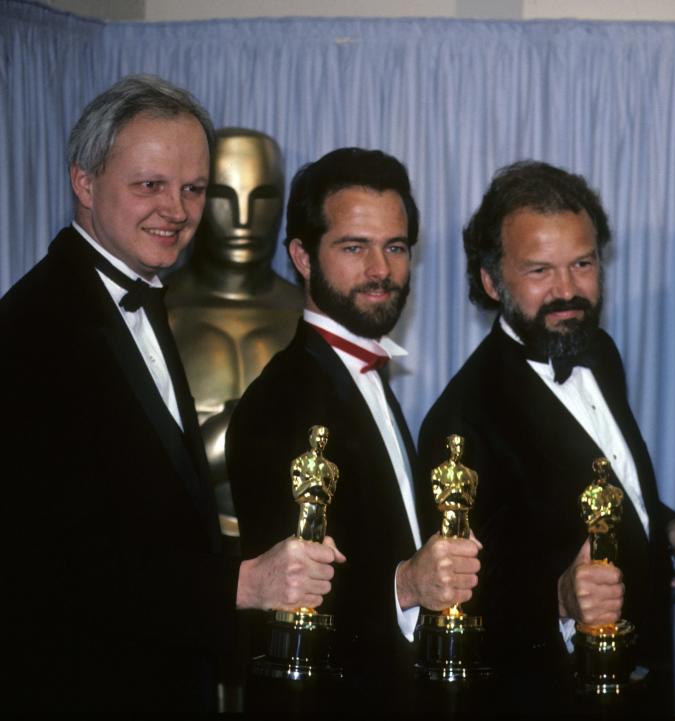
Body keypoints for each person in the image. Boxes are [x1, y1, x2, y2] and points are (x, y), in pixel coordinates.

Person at [0, 75, 341, 712]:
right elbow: (53, 560)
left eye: (191, 188)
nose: (178, 211)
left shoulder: (141, 293)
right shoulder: (34, 328)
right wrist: (237, 585)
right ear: (84, 183)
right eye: (149, 185)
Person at [417, 160, 675, 714]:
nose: (567, 291)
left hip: (643, 689)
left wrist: (664, 522)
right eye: (539, 271)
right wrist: (556, 598)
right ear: (490, 281)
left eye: (582, 263)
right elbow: (459, 606)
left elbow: (596, 476)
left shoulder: (596, 350)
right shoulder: (460, 421)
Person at [225, 148, 481, 711]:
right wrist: (406, 586)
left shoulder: (363, 377)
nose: (380, 270)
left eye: (395, 247)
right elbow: (288, 604)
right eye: (353, 247)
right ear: (302, 256)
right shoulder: (281, 400)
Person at [165, 127, 301, 537]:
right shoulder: (154, 313)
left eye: (262, 198)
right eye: (223, 197)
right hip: (185, 547)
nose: (243, 219)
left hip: (298, 549)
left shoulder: (312, 318)